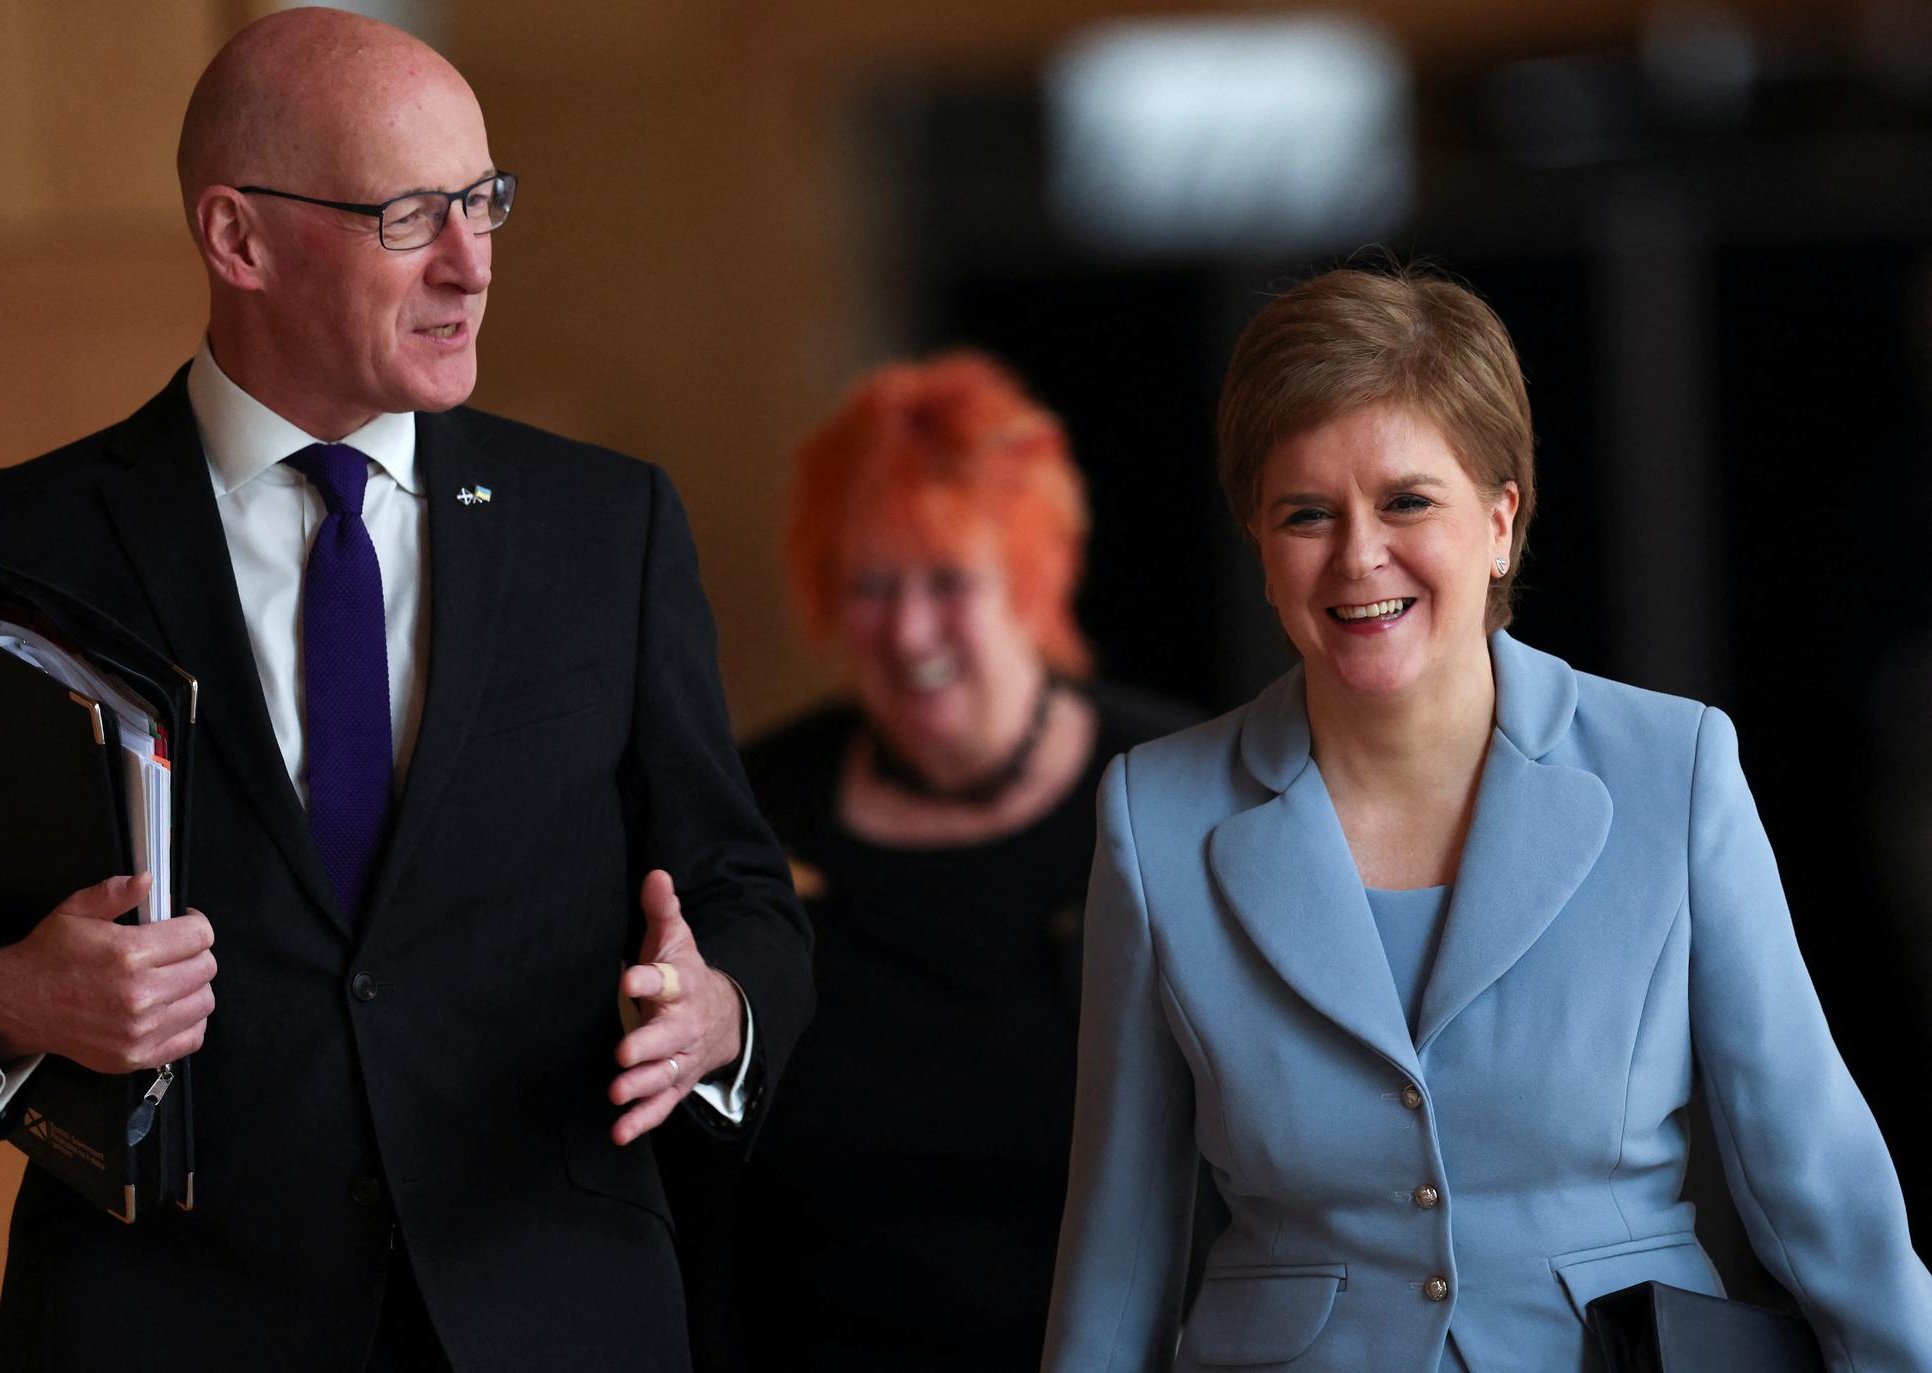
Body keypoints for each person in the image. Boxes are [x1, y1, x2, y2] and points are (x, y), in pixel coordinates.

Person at [0, 11, 811, 1371]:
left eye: (484, 200)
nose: (473, 263)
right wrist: (5, 1002)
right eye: (410, 215)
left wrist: (720, 1014)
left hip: (554, 1312)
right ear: (239, 238)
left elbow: (739, 886)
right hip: (161, 1323)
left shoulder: (608, 526)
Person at [1041, 264, 1932, 1371]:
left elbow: (1814, 1178)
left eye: (1407, 500)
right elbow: (1118, 1250)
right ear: (1260, 549)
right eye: (1305, 513)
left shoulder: (1674, 768)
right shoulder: (1154, 812)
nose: (1359, 553)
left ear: (1500, 518)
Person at [670, 352, 1196, 1370]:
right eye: (870, 585)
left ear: (1030, 582)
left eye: (948, 580)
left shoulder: (1177, 795)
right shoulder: (745, 813)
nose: (909, 630)